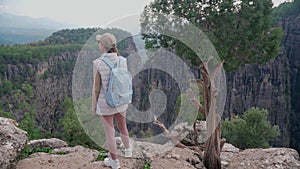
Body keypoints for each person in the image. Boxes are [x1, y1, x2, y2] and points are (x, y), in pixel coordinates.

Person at [92, 33, 133, 169]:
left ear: (102, 46)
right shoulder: (123, 60)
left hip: (106, 104)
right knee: (123, 126)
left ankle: (114, 162)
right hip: (121, 100)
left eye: (99, 42)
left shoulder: (98, 63)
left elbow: (96, 89)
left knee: (110, 132)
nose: (99, 44)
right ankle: (128, 150)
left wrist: (94, 107)